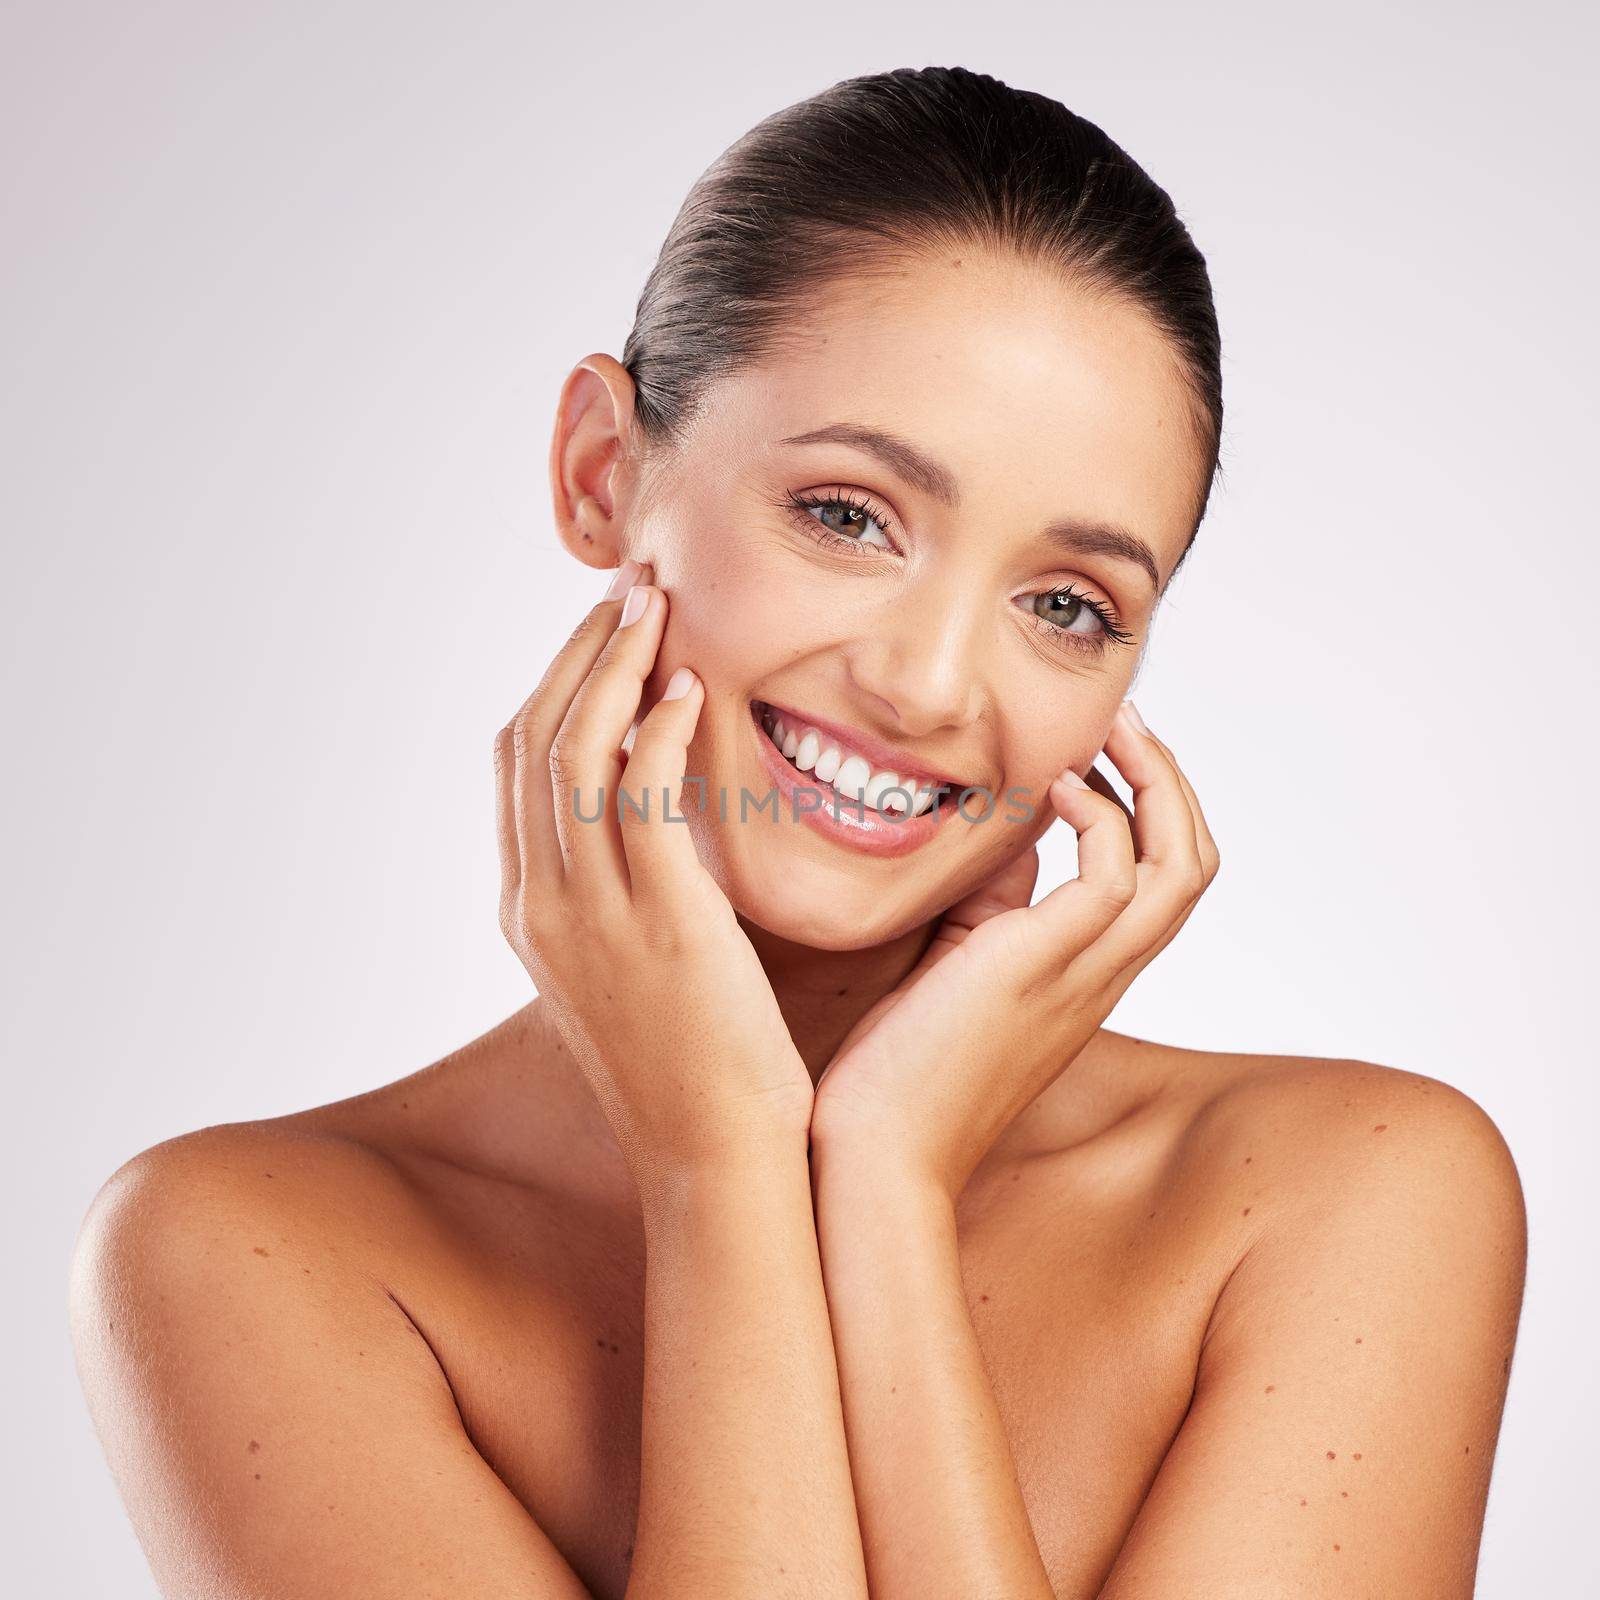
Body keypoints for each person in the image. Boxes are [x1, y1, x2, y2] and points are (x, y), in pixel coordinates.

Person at [69, 66, 1526, 1600]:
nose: (929, 684)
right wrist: (723, 1169)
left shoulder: (1349, 1196)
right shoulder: (245, 1252)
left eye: (1065, 605)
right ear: (599, 474)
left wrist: (884, 1187)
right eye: (847, 514)